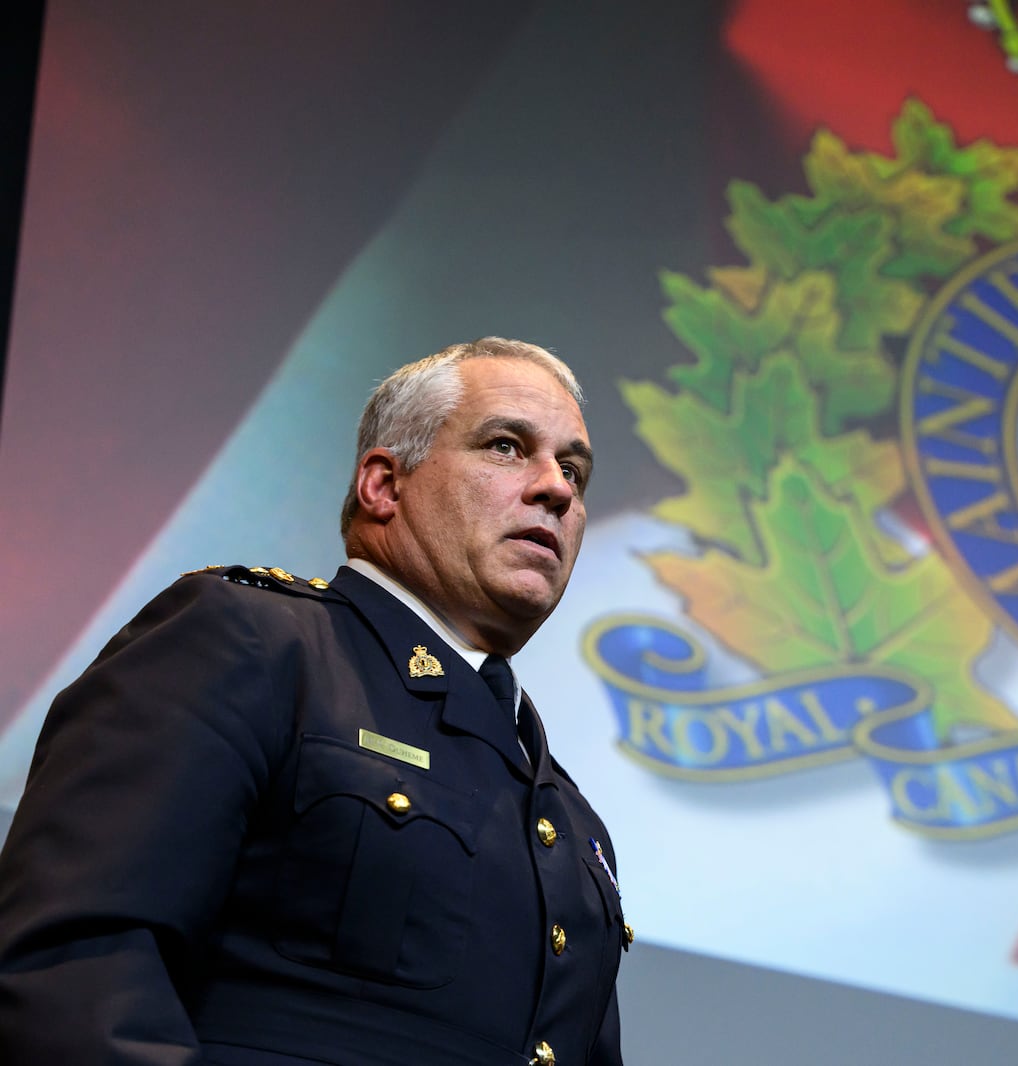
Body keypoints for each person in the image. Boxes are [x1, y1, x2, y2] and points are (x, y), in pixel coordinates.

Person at [0, 338, 629, 1065]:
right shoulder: (251, 642)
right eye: (507, 446)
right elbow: (75, 971)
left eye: (574, 471)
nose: (556, 488)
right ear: (383, 486)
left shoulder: (572, 821)